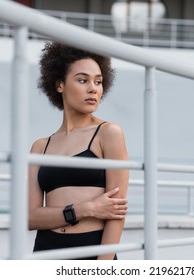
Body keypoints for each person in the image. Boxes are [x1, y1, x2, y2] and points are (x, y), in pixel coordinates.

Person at [28, 42, 129, 260]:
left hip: (91, 251)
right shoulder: (40, 147)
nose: (93, 88)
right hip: (45, 251)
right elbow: (30, 217)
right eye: (83, 80)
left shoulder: (108, 133)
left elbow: (116, 214)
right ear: (60, 85)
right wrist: (87, 209)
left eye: (98, 82)